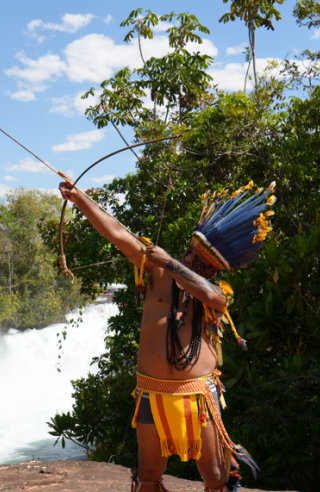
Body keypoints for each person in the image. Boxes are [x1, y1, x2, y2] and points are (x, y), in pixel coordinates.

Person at [58, 172, 272, 492]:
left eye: (196, 260)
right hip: (152, 392)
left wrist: (172, 263)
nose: (187, 258)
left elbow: (214, 298)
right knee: (148, 475)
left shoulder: (214, 292)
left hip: (198, 395)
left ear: (212, 269)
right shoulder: (156, 271)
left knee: (215, 476)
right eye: (188, 251)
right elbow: (118, 234)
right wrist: (81, 200)